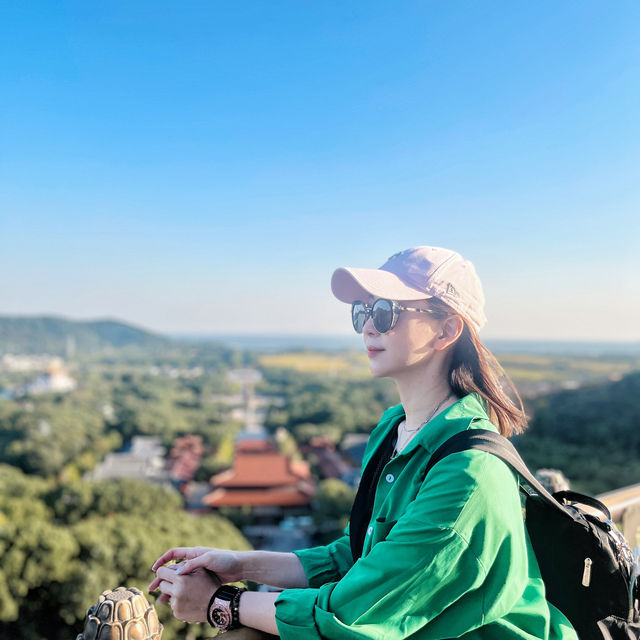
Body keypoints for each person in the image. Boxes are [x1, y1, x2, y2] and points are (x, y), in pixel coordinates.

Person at [148, 246, 578, 639]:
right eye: (362, 311)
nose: (368, 326)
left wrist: (221, 605)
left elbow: (354, 615)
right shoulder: (396, 430)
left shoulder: (468, 473)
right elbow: (357, 557)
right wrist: (239, 564)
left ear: (447, 329)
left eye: (387, 312)